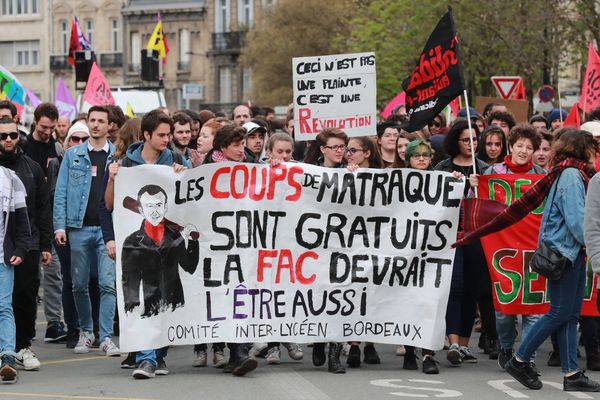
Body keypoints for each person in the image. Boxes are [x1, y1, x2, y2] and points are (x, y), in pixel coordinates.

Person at [504, 129, 600, 392]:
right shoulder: (571, 175)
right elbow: (578, 222)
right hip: (565, 254)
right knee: (559, 312)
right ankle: (519, 359)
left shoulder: (570, 172)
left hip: (570, 253)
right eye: (592, 147)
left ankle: (571, 373)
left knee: (570, 315)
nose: (595, 152)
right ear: (581, 149)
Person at [106, 110, 190, 379]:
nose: (168, 139)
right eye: (162, 135)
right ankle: (146, 358)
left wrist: (184, 175)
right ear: (146, 135)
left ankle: (158, 355)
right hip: (139, 245)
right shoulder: (124, 163)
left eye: (169, 134)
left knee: (167, 300)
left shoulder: (176, 159)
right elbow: (108, 204)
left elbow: (189, 202)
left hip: (168, 247)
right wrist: (111, 179)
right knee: (143, 298)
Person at [470, 124, 544, 372]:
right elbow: (481, 204)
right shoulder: (493, 172)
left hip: (532, 248)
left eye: (529, 147)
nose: (524, 151)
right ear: (510, 147)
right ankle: (506, 346)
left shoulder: (542, 175)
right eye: (520, 145)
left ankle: (527, 357)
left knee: (533, 309)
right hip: (502, 248)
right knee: (505, 309)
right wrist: (474, 185)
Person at [53, 105, 120, 357]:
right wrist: (60, 226)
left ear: (108, 125)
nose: (95, 125)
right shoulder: (73, 155)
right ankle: (86, 331)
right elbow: (60, 193)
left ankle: (105, 337)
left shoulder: (118, 156)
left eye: (101, 121)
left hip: (107, 230)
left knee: (107, 284)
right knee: (79, 284)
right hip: (78, 227)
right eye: (92, 120)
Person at [202, 124, 259, 377]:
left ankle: (241, 353)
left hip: (246, 242)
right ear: (222, 148)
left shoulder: (253, 165)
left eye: (242, 144)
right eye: (235, 145)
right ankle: (235, 353)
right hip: (218, 245)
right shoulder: (206, 169)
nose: (241, 149)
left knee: (243, 296)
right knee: (225, 298)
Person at [0, 116, 52, 371]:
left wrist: (45, 245)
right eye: (3, 136)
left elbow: (43, 208)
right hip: (2, 245)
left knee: (25, 296)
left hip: (27, 243)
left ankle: (22, 346)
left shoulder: (32, 168)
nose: (9, 140)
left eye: (13, 135)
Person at [435, 119, 488, 365]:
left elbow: (491, 204)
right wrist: (454, 185)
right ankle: (453, 340)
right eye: (466, 140)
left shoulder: (485, 169)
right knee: (454, 287)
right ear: (455, 141)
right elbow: (434, 201)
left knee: (471, 289)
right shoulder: (443, 168)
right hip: (450, 236)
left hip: (477, 237)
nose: (471, 144)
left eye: (475, 140)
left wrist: (480, 187)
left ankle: (465, 345)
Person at [306, 128, 348, 374]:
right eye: (335, 147)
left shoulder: (352, 174)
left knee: (341, 298)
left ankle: (335, 353)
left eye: (343, 147)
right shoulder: (309, 173)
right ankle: (320, 340)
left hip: (343, 246)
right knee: (319, 296)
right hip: (315, 247)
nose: (340, 151)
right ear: (323, 150)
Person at [47, 121, 92, 349]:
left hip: (88, 229)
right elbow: (58, 196)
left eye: (84, 139)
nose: (80, 143)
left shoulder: (94, 160)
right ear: (67, 142)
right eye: (75, 139)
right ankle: (73, 328)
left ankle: (89, 328)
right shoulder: (58, 162)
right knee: (70, 280)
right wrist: (58, 228)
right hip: (67, 228)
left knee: (89, 281)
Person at [400, 139, 440, 374]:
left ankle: (428, 354)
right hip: (405, 254)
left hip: (433, 254)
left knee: (430, 303)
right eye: (417, 155)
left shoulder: (442, 180)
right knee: (408, 302)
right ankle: (409, 350)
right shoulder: (397, 182)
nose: (422, 159)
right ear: (409, 159)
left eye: (426, 155)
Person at [0, 166, 31, 384]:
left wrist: (21, 248)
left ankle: (8, 356)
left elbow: (22, 219)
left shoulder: (10, 179)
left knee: (3, 306)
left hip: (3, 255)